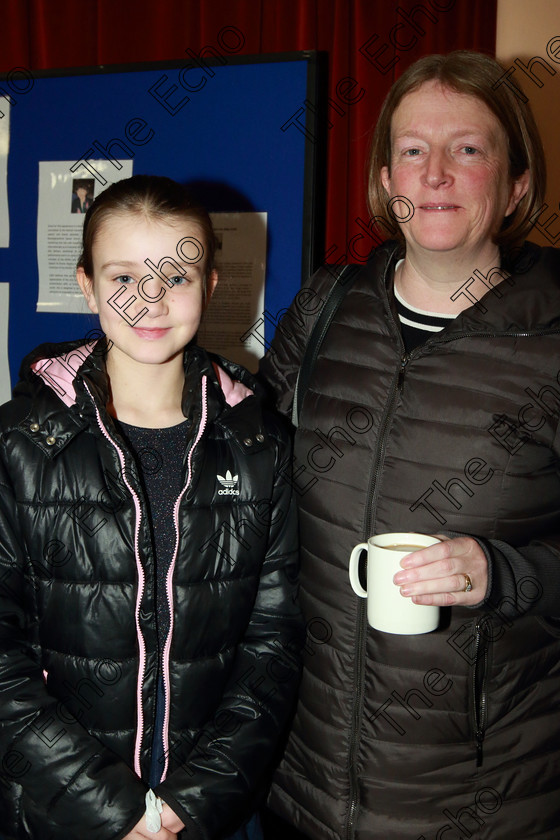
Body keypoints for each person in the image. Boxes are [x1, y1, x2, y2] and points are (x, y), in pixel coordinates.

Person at [260, 50, 560, 839]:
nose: (434, 175)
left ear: (517, 183)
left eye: (467, 149)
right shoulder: (326, 306)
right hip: (301, 789)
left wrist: (502, 572)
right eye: (411, 150)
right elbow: (235, 475)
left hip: (483, 806)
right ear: (385, 178)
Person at [0, 174, 302, 840]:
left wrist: (185, 808)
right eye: (123, 277)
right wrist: (120, 813)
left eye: (176, 275)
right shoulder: (18, 443)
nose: (151, 300)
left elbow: (272, 649)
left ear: (212, 285)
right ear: (85, 283)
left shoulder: (261, 445)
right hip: (56, 815)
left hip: (203, 817)